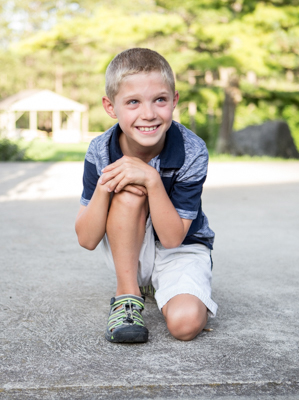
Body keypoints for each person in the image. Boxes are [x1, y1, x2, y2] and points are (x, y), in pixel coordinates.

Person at [75, 48, 217, 343]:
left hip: (181, 247)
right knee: (128, 190)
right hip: (129, 246)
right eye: (133, 102)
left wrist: (152, 179)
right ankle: (127, 295)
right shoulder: (101, 149)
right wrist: (106, 183)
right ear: (110, 106)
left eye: (160, 100)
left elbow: (172, 238)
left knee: (185, 325)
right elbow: (87, 240)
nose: (149, 114)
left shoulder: (192, 150)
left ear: (174, 100)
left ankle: (166, 286)